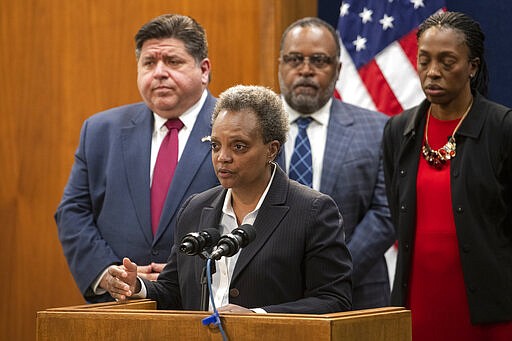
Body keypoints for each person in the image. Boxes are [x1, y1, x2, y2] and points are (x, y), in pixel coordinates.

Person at [106, 85, 353, 314]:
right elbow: (175, 289)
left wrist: (258, 317)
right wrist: (137, 286)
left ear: (272, 149)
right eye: (215, 145)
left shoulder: (313, 211)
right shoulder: (195, 208)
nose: (222, 157)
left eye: (239, 147)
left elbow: (334, 299)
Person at [55, 14, 220, 303]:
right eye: (148, 63)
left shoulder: (238, 131)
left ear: (203, 70)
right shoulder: (100, 130)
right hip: (119, 307)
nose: (159, 72)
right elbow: (73, 212)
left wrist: (184, 272)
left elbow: (259, 222)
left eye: (172, 61)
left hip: (203, 305)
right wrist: (106, 271)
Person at [383, 11, 512, 340]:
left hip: (490, 311)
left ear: (473, 66)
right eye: (424, 61)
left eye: (447, 61)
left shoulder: (502, 128)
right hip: (418, 305)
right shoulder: (399, 130)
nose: (432, 73)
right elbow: (397, 208)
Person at [277, 17, 394, 310]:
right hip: (269, 292)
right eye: (294, 59)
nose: (305, 70)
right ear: (280, 64)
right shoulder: (250, 128)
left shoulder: (379, 130)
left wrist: (333, 273)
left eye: (319, 60)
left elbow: (386, 212)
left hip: (357, 293)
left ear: (338, 69)